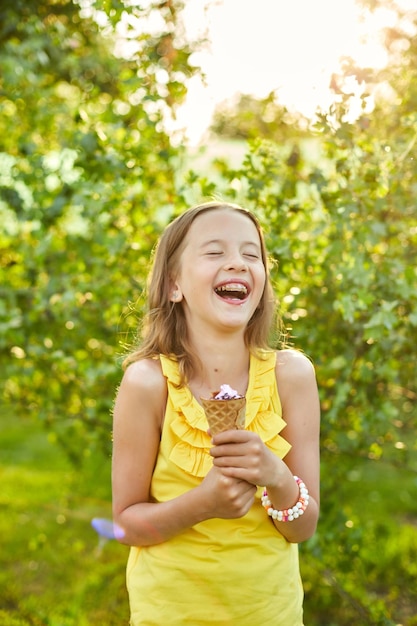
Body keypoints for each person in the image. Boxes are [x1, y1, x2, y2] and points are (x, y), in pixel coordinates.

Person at [112, 201, 320, 626]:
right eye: (214, 252)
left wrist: (277, 478)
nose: (237, 264)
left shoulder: (292, 376)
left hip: (270, 614)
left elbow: (303, 528)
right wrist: (202, 504)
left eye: (251, 254)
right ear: (174, 284)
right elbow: (127, 526)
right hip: (169, 615)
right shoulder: (148, 383)